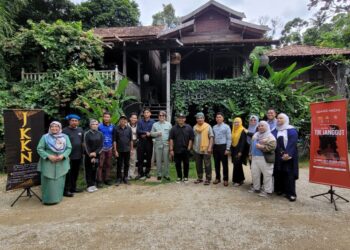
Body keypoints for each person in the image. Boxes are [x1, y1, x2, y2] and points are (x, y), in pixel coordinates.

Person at [37, 121, 72, 205]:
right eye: (52, 126)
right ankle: (48, 199)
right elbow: (39, 148)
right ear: (50, 128)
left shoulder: (65, 137)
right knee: (48, 181)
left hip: (61, 162)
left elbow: (69, 148)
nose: (54, 128)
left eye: (56, 127)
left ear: (60, 128)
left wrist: (63, 156)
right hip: (48, 162)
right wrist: (49, 156)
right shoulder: (45, 137)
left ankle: (58, 198)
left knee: (59, 181)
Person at [272, 113, 299, 202]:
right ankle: (280, 190)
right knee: (278, 172)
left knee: (289, 173)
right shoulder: (274, 130)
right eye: (278, 118)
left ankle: (291, 193)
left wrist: (287, 154)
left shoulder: (291, 130)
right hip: (277, 156)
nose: (278, 120)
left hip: (288, 156)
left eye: (281, 118)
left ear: (286, 119)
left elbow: (292, 143)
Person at [249, 121, 276, 197]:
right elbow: (251, 146)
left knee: (267, 175)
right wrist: (250, 153)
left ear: (267, 127)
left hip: (265, 158)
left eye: (262, 126)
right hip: (255, 157)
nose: (260, 127)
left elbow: (273, 147)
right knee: (255, 174)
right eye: (259, 126)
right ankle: (256, 188)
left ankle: (268, 191)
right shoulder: (255, 135)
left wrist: (262, 147)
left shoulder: (270, 136)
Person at [62, 114, 84, 197]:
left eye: (76, 121)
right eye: (73, 120)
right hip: (68, 156)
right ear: (69, 121)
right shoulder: (64, 131)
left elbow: (82, 142)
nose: (74, 122)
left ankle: (73, 188)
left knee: (75, 172)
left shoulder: (80, 130)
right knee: (68, 173)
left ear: (78, 122)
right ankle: (66, 190)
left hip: (78, 155)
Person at [169, 113, 194, 183]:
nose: (181, 119)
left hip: (186, 149)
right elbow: (171, 139)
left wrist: (189, 147)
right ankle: (179, 177)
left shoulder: (189, 127)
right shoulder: (173, 128)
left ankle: (186, 177)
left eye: (182, 118)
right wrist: (171, 149)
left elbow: (191, 138)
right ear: (177, 119)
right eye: (179, 118)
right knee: (177, 164)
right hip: (176, 149)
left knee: (186, 164)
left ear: (185, 119)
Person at [193, 112, 214, 185]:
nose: (200, 119)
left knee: (207, 164)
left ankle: (208, 179)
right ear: (196, 119)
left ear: (204, 118)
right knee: (198, 164)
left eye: (201, 118)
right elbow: (193, 138)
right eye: (198, 118)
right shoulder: (194, 127)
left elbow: (211, 137)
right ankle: (200, 178)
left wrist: (210, 148)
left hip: (206, 149)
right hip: (196, 149)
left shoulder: (208, 126)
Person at [83, 119, 104, 193]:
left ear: (98, 125)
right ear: (90, 125)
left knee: (95, 168)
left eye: (96, 124)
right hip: (88, 155)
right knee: (88, 169)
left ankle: (93, 184)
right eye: (93, 124)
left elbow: (101, 145)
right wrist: (91, 155)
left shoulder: (100, 134)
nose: (94, 125)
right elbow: (86, 145)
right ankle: (89, 185)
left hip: (97, 154)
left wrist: (96, 153)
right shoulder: (87, 134)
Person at [151, 111, 172, 181]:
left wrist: (170, 144)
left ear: (165, 117)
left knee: (166, 160)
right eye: (160, 115)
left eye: (163, 115)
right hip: (158, 144)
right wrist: (157, 133)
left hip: (166, 144)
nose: (161, 117)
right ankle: (159, 174)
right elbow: (151, 134)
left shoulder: (169, 124)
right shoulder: (155, 124)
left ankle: (167, 175)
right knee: (158, 160)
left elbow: (171, 135)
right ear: (158, 117)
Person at [212, 112, 232, 186]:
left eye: (220, 117)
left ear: (223, 118)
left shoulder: (226, 127)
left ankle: (225, 179)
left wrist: (227, 148)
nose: (218, 118)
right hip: (216, 147)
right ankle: (217, 178)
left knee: (224, 164)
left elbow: (229, 138)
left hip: (223, 146)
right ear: (215, 118)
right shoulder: (214, 127)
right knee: (216, 164)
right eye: (217, 117)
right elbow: (213, 138)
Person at [113, 115, 133, 185]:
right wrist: (115, 150)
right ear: (119, 121)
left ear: (126, 121)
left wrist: (131, 150)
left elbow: (131, 140)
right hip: (119, 150)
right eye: (121, 120)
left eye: (124, 120)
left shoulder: (129, 129)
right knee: (119, 164)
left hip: (127, 150)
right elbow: (114, 140)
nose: (123, 121)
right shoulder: (116, 129)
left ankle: (125, 178)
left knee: (127, 164)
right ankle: (118, 178)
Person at [136, 108, 155, 179]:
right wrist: (146, 133)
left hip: (149, 142)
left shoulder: (153, 122)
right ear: (143, 114)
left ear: (150, 114)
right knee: (140, 158)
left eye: (148, 112)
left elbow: (152, 131)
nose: (146, 114)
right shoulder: (140, 122)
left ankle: (147, 172)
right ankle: (140, 173)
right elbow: (138, 131)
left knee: (148, 158)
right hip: (141, 142)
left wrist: (147, 134)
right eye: (145, 112)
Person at [97, 112, 115, 187]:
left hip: (110, 147)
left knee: (108, 164)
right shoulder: (99, 126)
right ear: (103, 117)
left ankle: (107, 179)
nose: (106, 118)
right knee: (100, 165)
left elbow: (114, 137)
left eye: (108, 117)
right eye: (105, 117)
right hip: (101, 148)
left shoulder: (113, 126)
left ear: (110, 118)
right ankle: (99, 180)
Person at [231, 117, 247, 187]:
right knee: (238, 165)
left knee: (236, 165)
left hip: (239, 150)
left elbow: (243, 142)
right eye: (235, 122)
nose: (236, 123)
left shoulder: (242, 130)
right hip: (234, 150)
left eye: (238, 122)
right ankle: (241, 179)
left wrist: (240, 151)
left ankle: (236, 181)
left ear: (241, 123)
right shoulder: (233, 130)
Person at [128, 113, 138, 179]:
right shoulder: (126, 125)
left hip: (134, 145)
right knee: (126, 160)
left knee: (133, 160)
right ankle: (126, 174)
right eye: (133, 118)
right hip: (126, 145)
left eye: (135, 118)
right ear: (130, 118)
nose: (134, 119)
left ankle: (131, 174)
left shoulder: (138, 126)